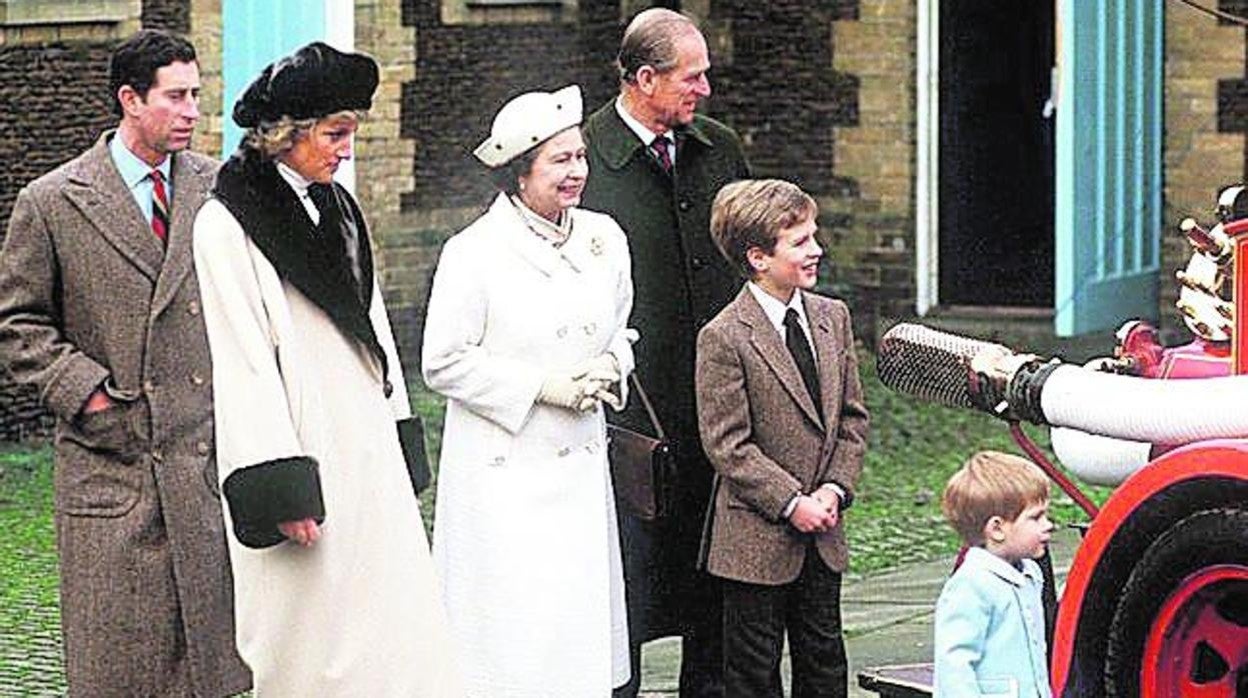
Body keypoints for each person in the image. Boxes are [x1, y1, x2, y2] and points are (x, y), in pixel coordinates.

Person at [192, 42, 462, 696]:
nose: (346, 149)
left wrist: (401, 433)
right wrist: (280, 487)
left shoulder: (339, 206)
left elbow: (375, 333)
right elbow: (243, 364)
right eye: (335, 134)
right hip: (302, 450)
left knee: (392, 631)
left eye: (351, 134)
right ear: (286, 136)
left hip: (367, 449)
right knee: (311, 642)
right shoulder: (227, 223)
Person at [0, 29, 249, 697]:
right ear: (130, 100)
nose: (194, 111)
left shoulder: (220, 187)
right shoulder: (53, 201)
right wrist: (87, 393)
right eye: (176, 97)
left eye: (196, 95)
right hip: (112, 468)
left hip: (203, 465)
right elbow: (16, 324)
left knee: (209, 668)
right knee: (122, 669)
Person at [422, 84, 635, 697]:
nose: (576, 173)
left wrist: (610, 366)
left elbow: (623, 326)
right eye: (559, 162)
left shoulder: (604, 238)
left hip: (581, 462)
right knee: (516, 638)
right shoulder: (474, 253)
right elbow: (442, 362)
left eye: (580, 158)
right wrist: (544, 386)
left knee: (577, 632)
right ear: (520, 174)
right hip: (506, 473)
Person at [580, 9, 751, 695]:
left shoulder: (719, 150)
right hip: (629, 414)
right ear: (643, 78)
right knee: (624, 580)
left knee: (715, 582)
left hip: (719, 408)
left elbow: (754, 258)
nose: (706, 89)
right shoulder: (582, 160)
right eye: (693, 76)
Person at [694, 179, 869, 697]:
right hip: (755, 540)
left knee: (825, 666)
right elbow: (728, 444)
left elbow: (851, 420)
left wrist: (833, 491)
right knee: (753, 674)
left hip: (823, 534)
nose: (816, 250)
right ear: (758, 257)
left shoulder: (831, 318)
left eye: (814, 236)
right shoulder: (724, 336)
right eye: (800, 241)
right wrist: (792, 502)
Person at [934, 451, 1054, 698]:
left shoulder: (1030, 574)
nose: (1048, 525)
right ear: (997, 529)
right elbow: (954, 665)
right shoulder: (972, 584)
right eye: (1036, 517)